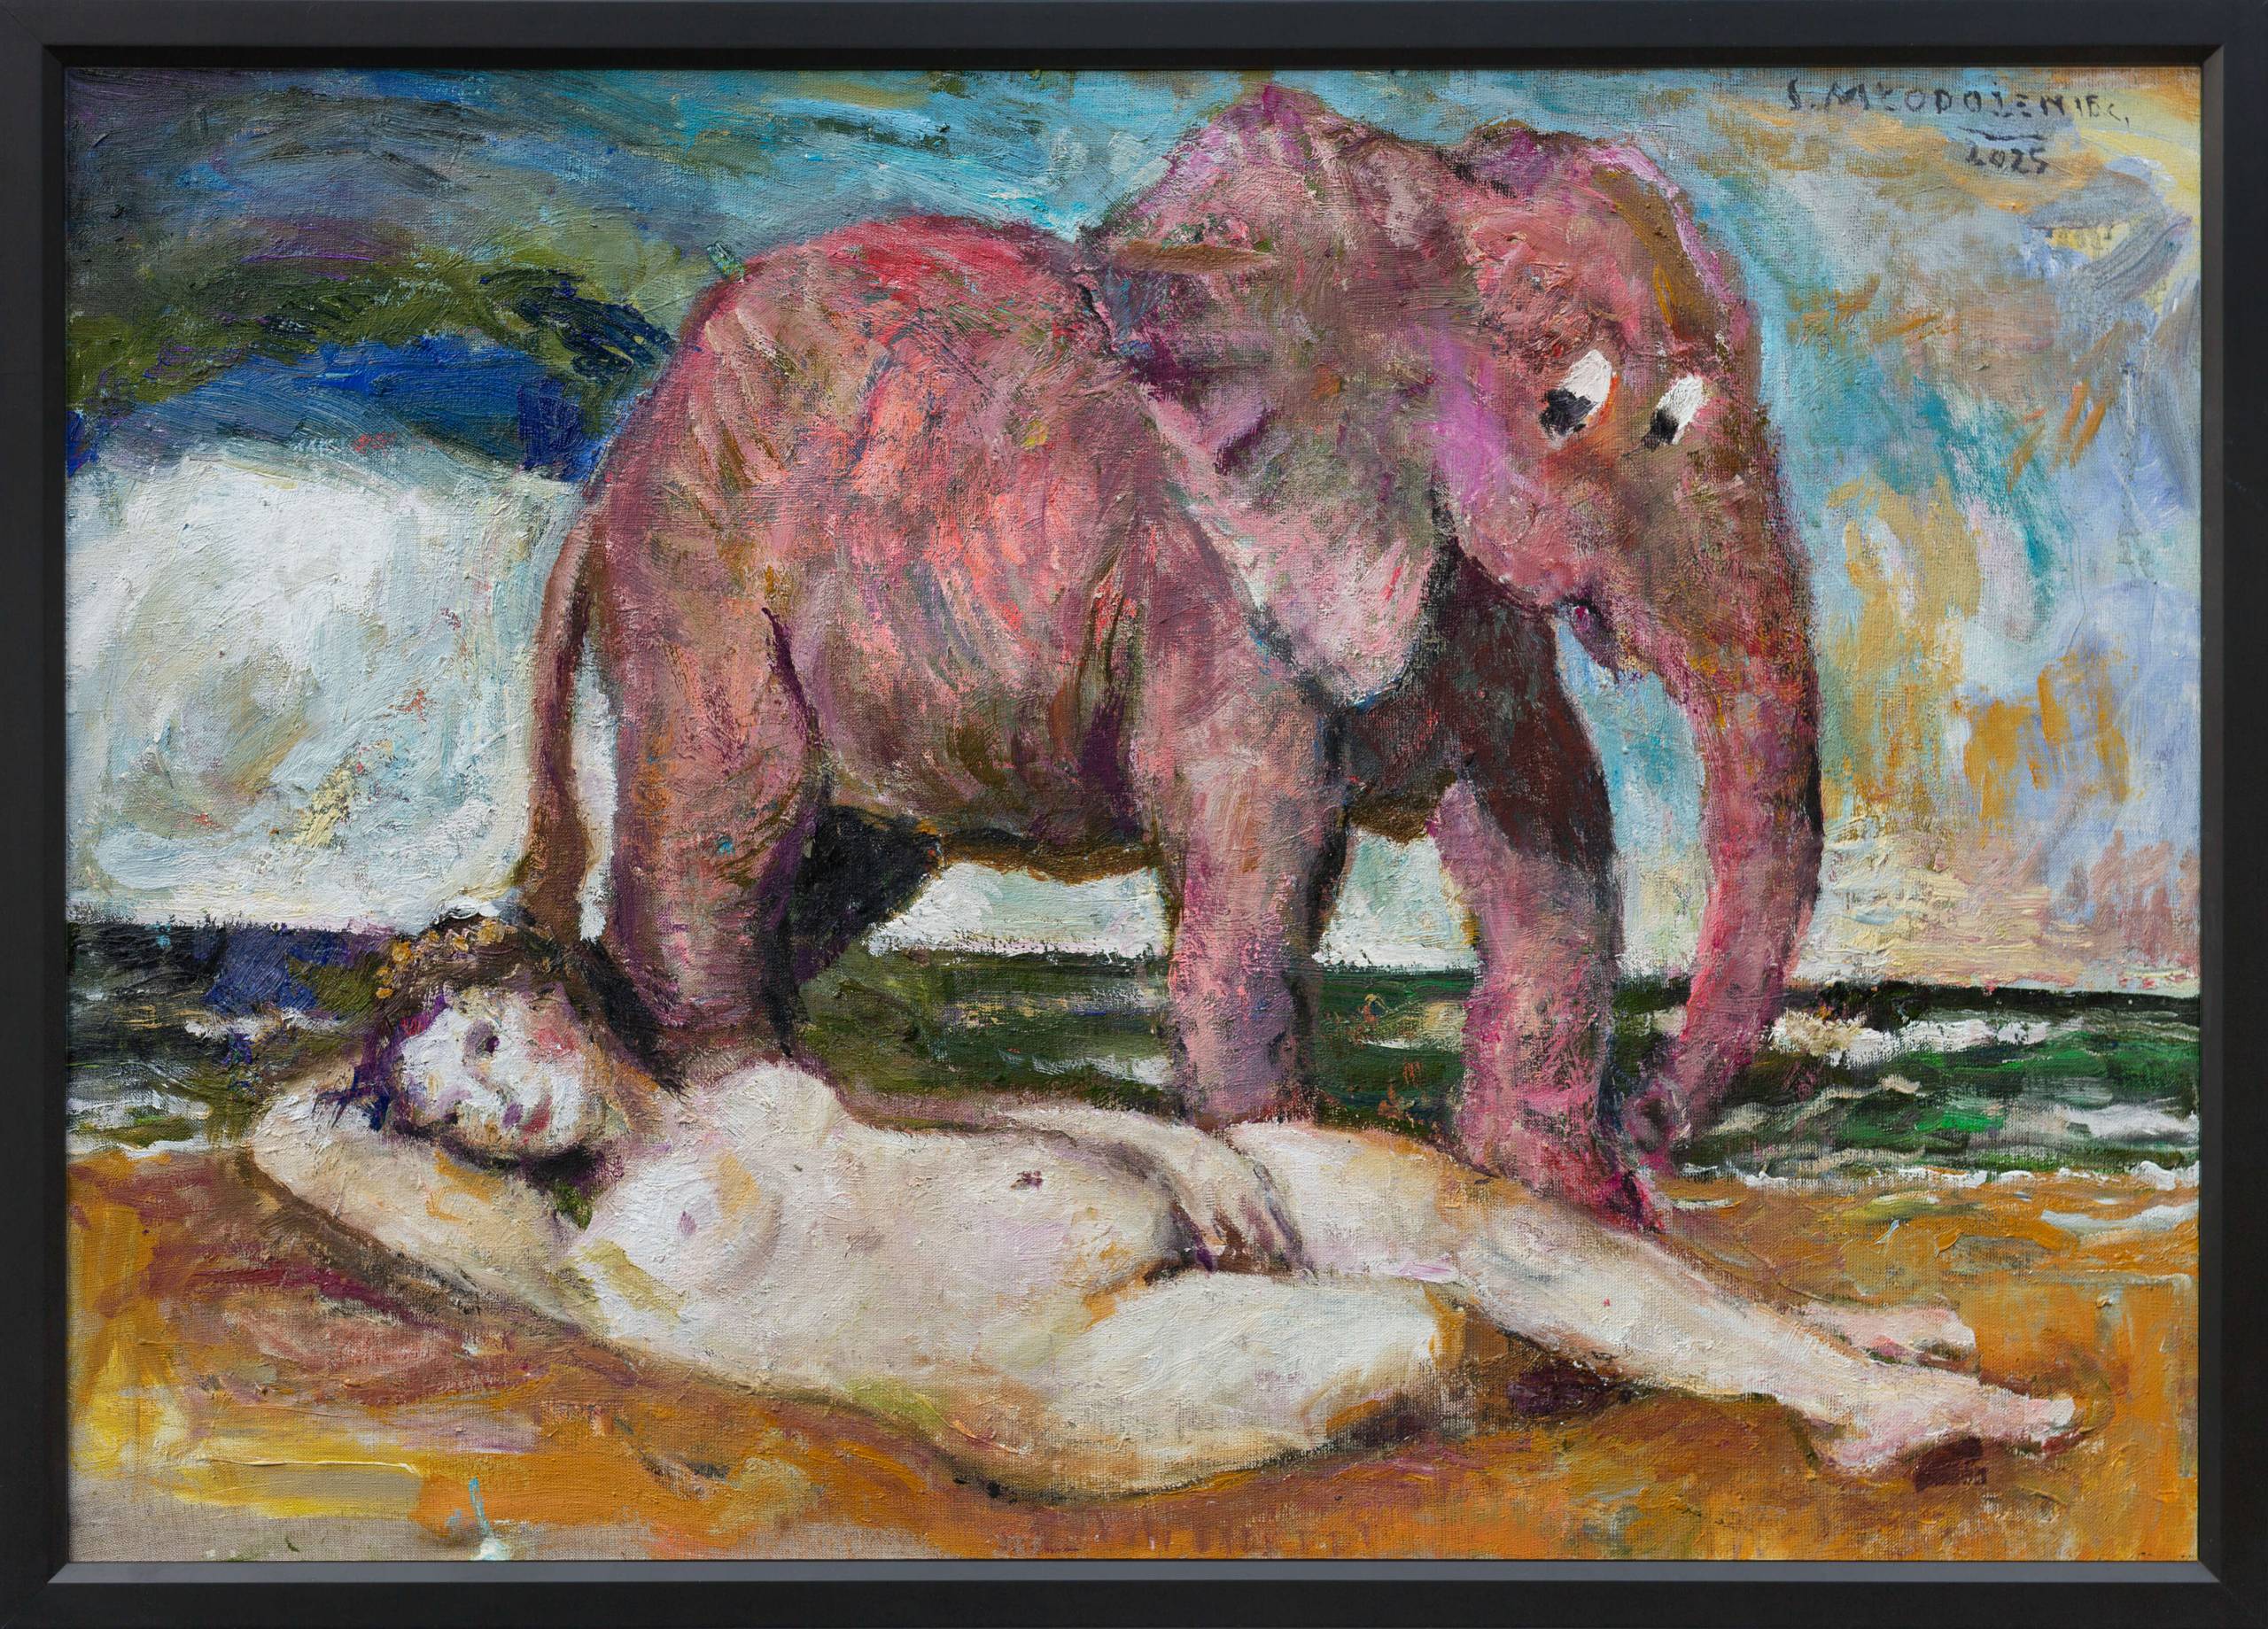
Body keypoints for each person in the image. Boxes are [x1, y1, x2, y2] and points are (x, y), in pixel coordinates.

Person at [249, 921, 2076, 1498]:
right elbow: (288, 1141)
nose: (498, 1095)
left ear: (553, 994)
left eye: (491, 1035)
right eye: (457, 1104)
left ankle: (1825, 1373)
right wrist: (379, 1079)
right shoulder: (573, 1253)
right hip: (1065, 1361)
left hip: (1147, 1199)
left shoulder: (743, 1088)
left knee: (1468, 1216)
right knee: (1414, 1335)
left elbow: (933, 1124)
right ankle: (1784, 1373)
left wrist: (1142, 1135)